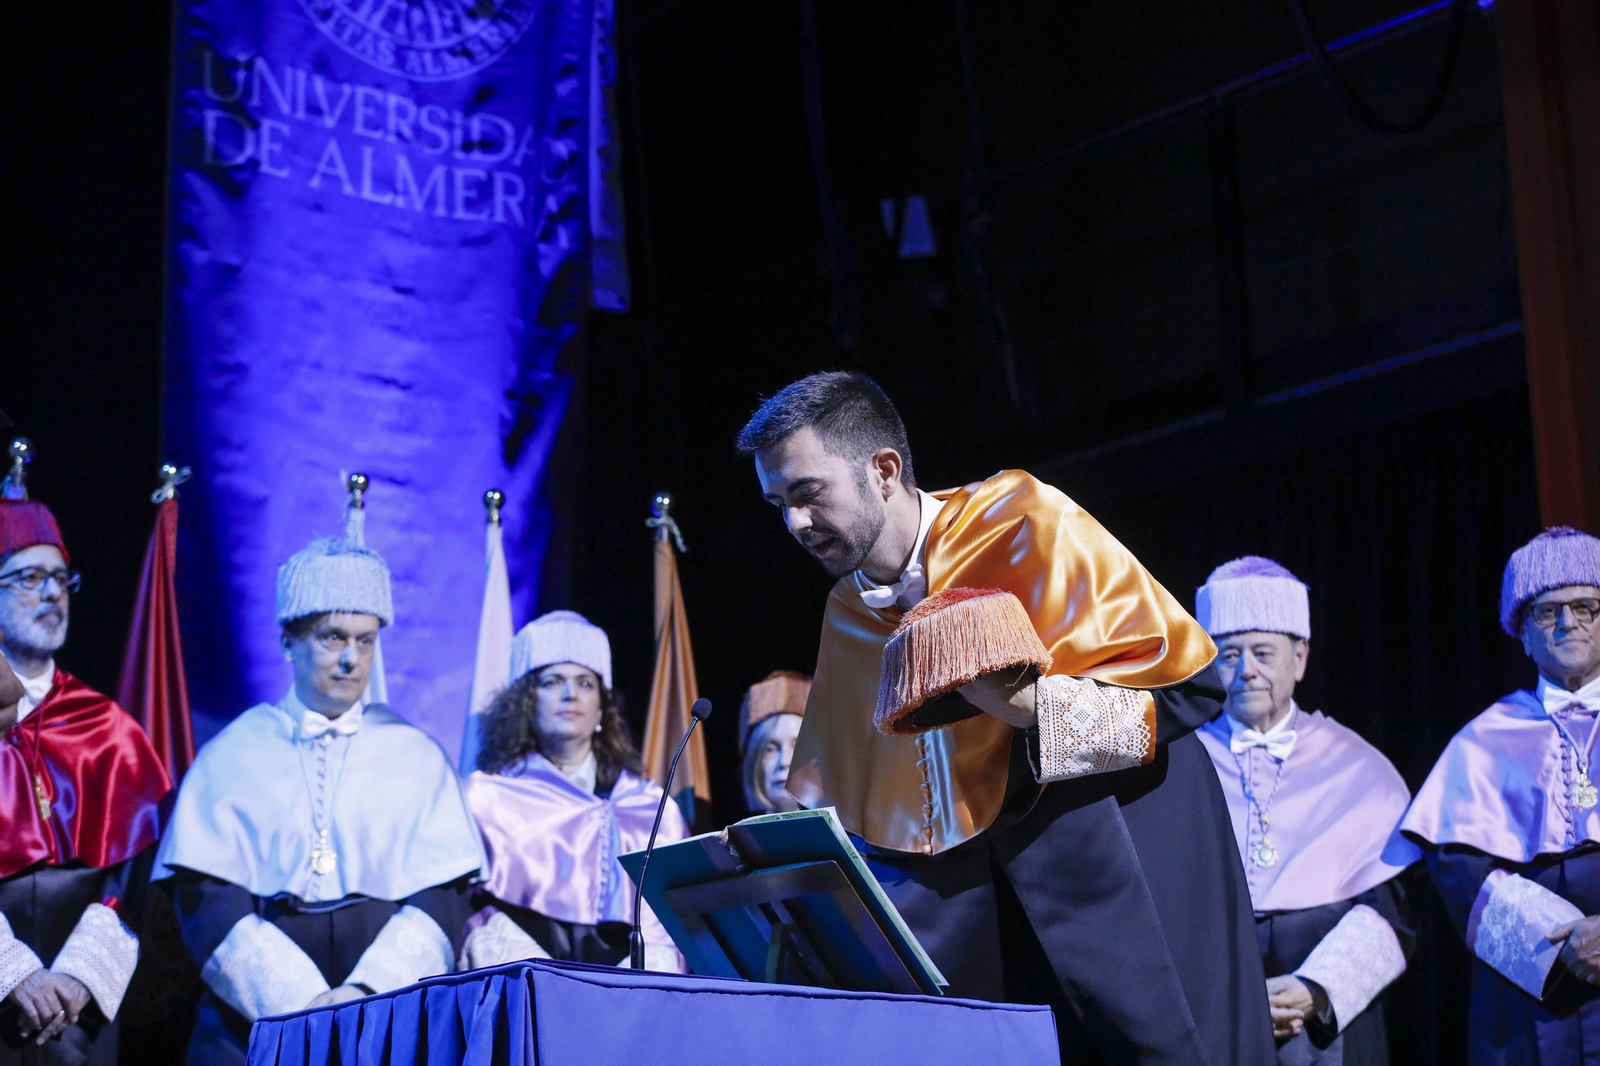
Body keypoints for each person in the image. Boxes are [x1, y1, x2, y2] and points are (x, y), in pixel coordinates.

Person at [737, 371, 1275, 1065]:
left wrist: (1029, 709)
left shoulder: (1019, 521)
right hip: (993, 941)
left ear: (883, 470)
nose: (795, 524)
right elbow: (889, 814)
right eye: (778, 503)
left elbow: (1186, 692)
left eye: (808, 494)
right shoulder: (848, 615)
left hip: (1119, 884)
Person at [153, 537, 484, 1064]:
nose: (352, 659)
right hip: (251, 1027)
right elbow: (207, 900)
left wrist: (364, 996)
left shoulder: (415, 754)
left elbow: (440, 896)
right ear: (289, 641)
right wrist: (301, 1004)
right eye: (333, 637)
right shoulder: (235, 753)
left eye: (367, 640)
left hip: (385, 1024)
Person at [1193, 556, 1419, 1064]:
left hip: (1327, 1015)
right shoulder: (1183, 765)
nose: (1246, 670)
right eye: (1229, 655)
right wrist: (1234, 993)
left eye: (1263, 652)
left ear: (1299, 657)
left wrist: (1317, 987)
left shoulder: (1356, 765)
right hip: (1219, 1006)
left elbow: (1394, 908)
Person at [1400, 526, 1600, 1064]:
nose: (1567, 622)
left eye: (1586, 607)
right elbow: (1456, 868)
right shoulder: (1486, 737)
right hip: (1531, 994)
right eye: (1546, 611)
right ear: (1521, 630)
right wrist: (1559, 947)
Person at [0, 500, 171, 1065]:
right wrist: (11, 972)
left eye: (61, 578)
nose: (52, 593)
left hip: (77, 1016)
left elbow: (131, 876)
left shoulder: (108, 729)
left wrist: (76, 977)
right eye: (30, 577)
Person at [460, 611, 687, 972]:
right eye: (552, 682)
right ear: (525, 702)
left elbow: (670, 934)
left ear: (602, 707)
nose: (570, 695)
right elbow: (472, 918)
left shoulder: (647, 807)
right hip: (524, 991)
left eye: (585, 683)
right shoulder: (485, 798)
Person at [739, 671, 809, 815]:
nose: (784, 762)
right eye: (771, 749)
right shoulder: (735, 838)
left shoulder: (848, 837)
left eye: (796, 747)